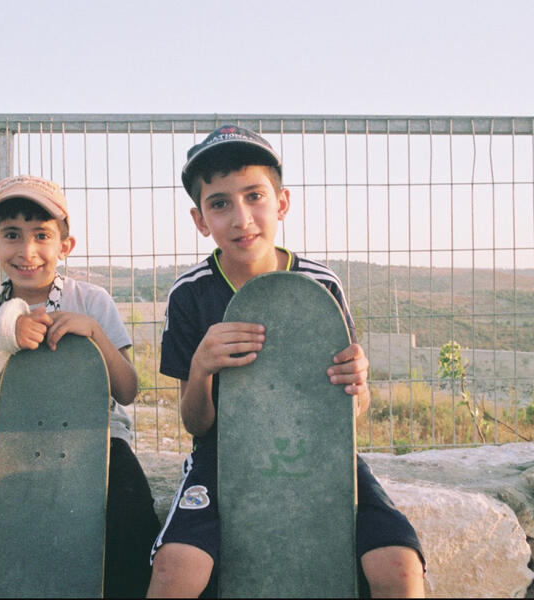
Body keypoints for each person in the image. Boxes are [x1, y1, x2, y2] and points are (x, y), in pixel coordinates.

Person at [147, 125, 426, 598]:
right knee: (176, 571)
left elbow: (353, 411)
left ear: (281, 202)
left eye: (255, 196)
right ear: (200, 219)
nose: (241, 217)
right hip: (224, 455)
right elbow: (196, 424)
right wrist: (202, 369)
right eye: (220, 203)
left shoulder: (321, 286)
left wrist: (358, 384)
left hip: (323, 451)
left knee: (398, 567)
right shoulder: (190, 294)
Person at [0, 174, 160, 598]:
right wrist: (6, 338)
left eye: (42, 235)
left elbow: (127, 390)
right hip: (11, 440)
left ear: (64, 246)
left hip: (98, 439)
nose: (27, 250)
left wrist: (94, 334)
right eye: (12, 235)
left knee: (132, 512)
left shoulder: (92, 301)